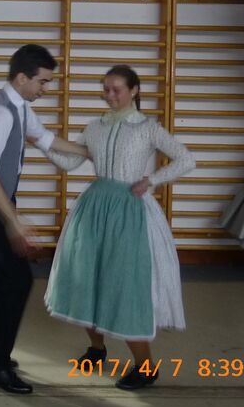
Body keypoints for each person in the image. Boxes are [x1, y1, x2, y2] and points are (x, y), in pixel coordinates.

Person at [42, 65, 195, 390]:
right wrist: (40, 142)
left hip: (130, 213)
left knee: (126, 286)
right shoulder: (94, 127)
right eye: (106, 89)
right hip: (94, 209)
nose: (109, 95)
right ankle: (97, 349)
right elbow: (69, 163)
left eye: (116, 89)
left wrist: (151, 180)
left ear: (134, 90)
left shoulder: (148, 128)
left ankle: (146, 367)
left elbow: (186, 160)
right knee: (87, 278)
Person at [0, 44, 87, 394]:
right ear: (21, 78)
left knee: (6, 278)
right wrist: (12, 219)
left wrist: (90, 152)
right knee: (17, 281)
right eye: (42, 82)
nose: (46, 89)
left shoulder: (18, 106)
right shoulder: (2, 113)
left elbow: (46, 139)